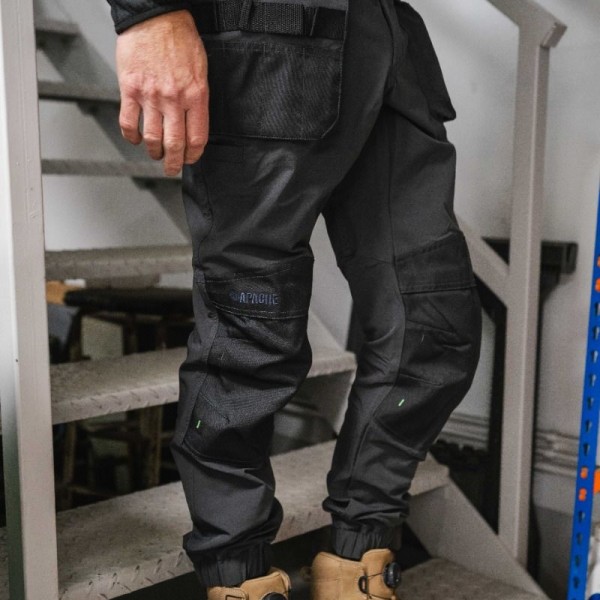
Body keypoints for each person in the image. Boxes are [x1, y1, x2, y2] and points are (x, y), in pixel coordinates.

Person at [107, 0, 483, 598]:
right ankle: (239, 577)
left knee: (432, 322)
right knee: (250, 338)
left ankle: (358, 561)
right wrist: (148, 13)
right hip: (272, 39)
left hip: (390, 41)